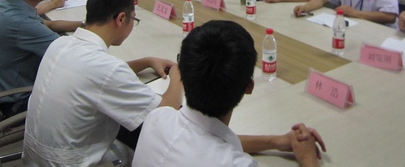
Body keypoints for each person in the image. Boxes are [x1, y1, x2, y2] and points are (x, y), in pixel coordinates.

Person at [22, 0, 183, 166]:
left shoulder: (61, 43)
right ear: (121, 19)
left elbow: (102, 77)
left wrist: (146, 61)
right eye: (133, 19)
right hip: (71, 161)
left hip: (36, 158)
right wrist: (178, 74)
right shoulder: (106, 69)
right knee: (156, 140)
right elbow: (165, 112)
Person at [132, 20, 325, 167]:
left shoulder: (156, 118)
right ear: (249, 87)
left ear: (181, 73)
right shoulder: (237, 164)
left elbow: (205, 138)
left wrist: (274, 141)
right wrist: (307, 158)